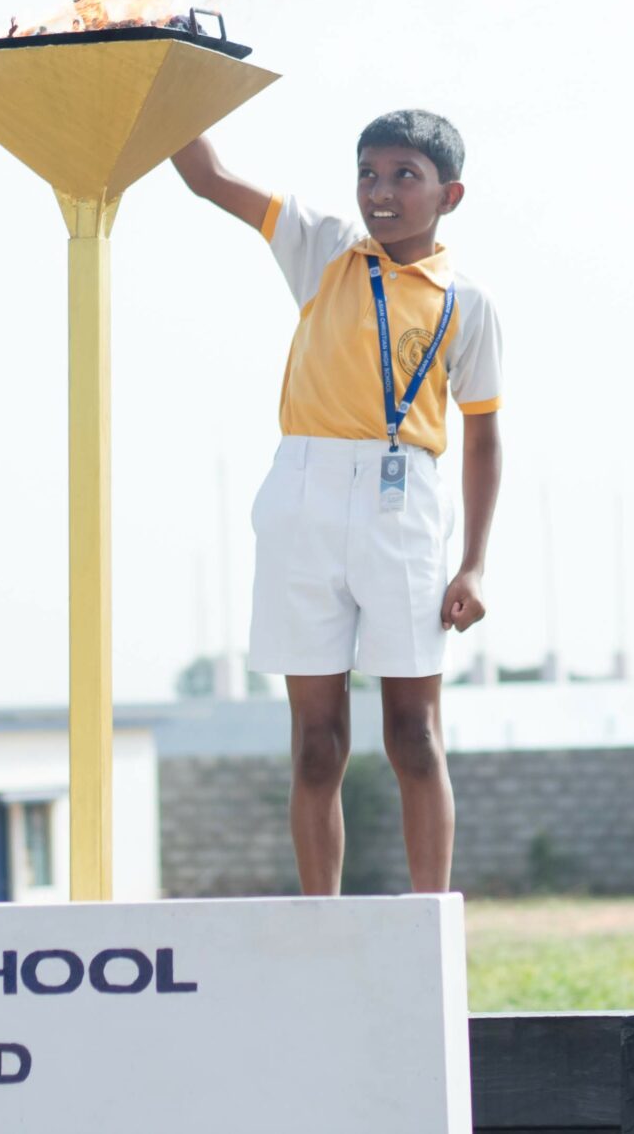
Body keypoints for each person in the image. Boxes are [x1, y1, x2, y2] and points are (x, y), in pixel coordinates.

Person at [170, 109, 504, 893]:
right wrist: (163, 66)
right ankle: (322, 926)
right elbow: (205, 176)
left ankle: (427, 927)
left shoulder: (468, 302)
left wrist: (476, 565)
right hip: (303, 494)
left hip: (405, 504)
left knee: (414, 736)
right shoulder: (322, 245)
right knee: (317, 744)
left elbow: (485, 437)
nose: (379, 193)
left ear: (449, 195)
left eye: (403, 177)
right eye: (367, 173)